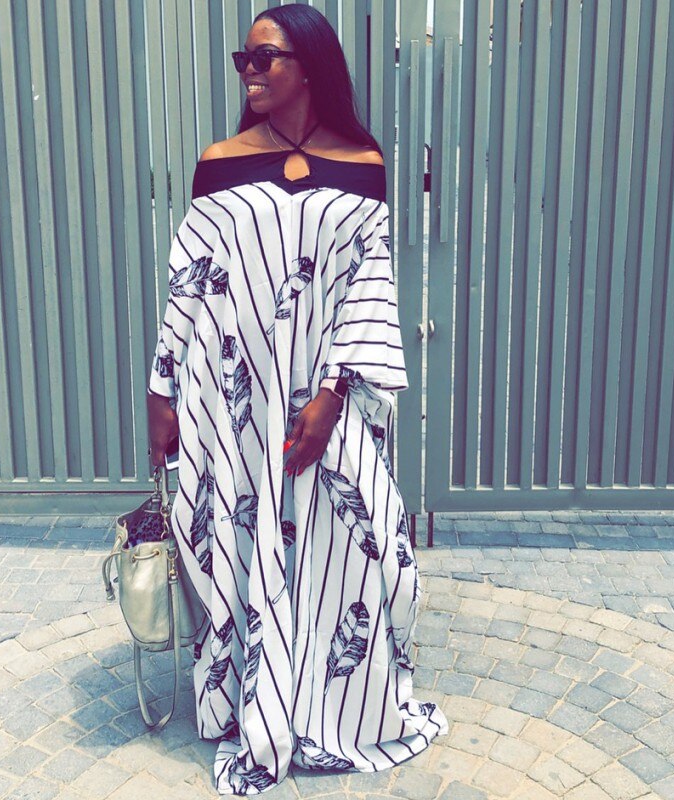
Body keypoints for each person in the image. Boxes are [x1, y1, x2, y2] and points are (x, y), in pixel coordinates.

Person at [146, 4, 448, 795]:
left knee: (362, 544)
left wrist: (334, 394)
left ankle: (335, 701)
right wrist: (161, 388)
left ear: (308, 67)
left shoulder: (363, 162)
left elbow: (371, 286)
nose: (248, 71)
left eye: (264, 58)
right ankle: (262, 697)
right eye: (242, 59)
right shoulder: (220, 163)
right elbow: (188, 282)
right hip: (235, 397)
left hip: (325, 395)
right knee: (247, 541)